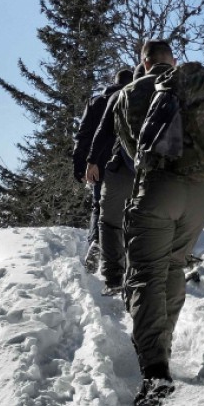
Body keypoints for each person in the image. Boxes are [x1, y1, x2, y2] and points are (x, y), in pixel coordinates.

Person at [114, 41, 204, 405]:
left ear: (143, 62)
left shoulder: (132, 92)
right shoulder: (197, 85)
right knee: (173, 266)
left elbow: (132, 150)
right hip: (203, 193)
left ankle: (155, 371)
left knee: (145, 274)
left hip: (160, 187)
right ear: (172, 60)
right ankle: (162, 350)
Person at [85, 63, 145, 296]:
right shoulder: (166, 92)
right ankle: (143, 274)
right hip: (160, 173)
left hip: (121, 167)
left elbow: (102, 132)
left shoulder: (118, 97)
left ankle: (113, 277)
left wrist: (90, 161)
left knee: (108, 219)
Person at [72, 68, 133, 273]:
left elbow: (83, 135)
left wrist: (80, 164)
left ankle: (95, 243)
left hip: (98, 162)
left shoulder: (96, 102)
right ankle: (124, 252)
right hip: (125, 163)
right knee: (128, 206)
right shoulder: (132, 98)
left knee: (99, 206)